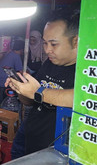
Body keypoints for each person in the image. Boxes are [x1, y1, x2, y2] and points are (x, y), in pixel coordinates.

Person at [7, 9, 79, 155]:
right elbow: (30, 101)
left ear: (75, 41)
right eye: (45, 43)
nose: (47, 50)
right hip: (27, 136)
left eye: (53, 44)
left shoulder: (85, 71)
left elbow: (80, 98)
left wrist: (37, 92)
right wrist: (21, 88)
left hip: (54, 150)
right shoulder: (50, 63)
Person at [0, 39, 25, 106]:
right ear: (22, 49)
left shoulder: (9, 53)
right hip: (3, 82)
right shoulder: (17, 56)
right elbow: (20, 72)